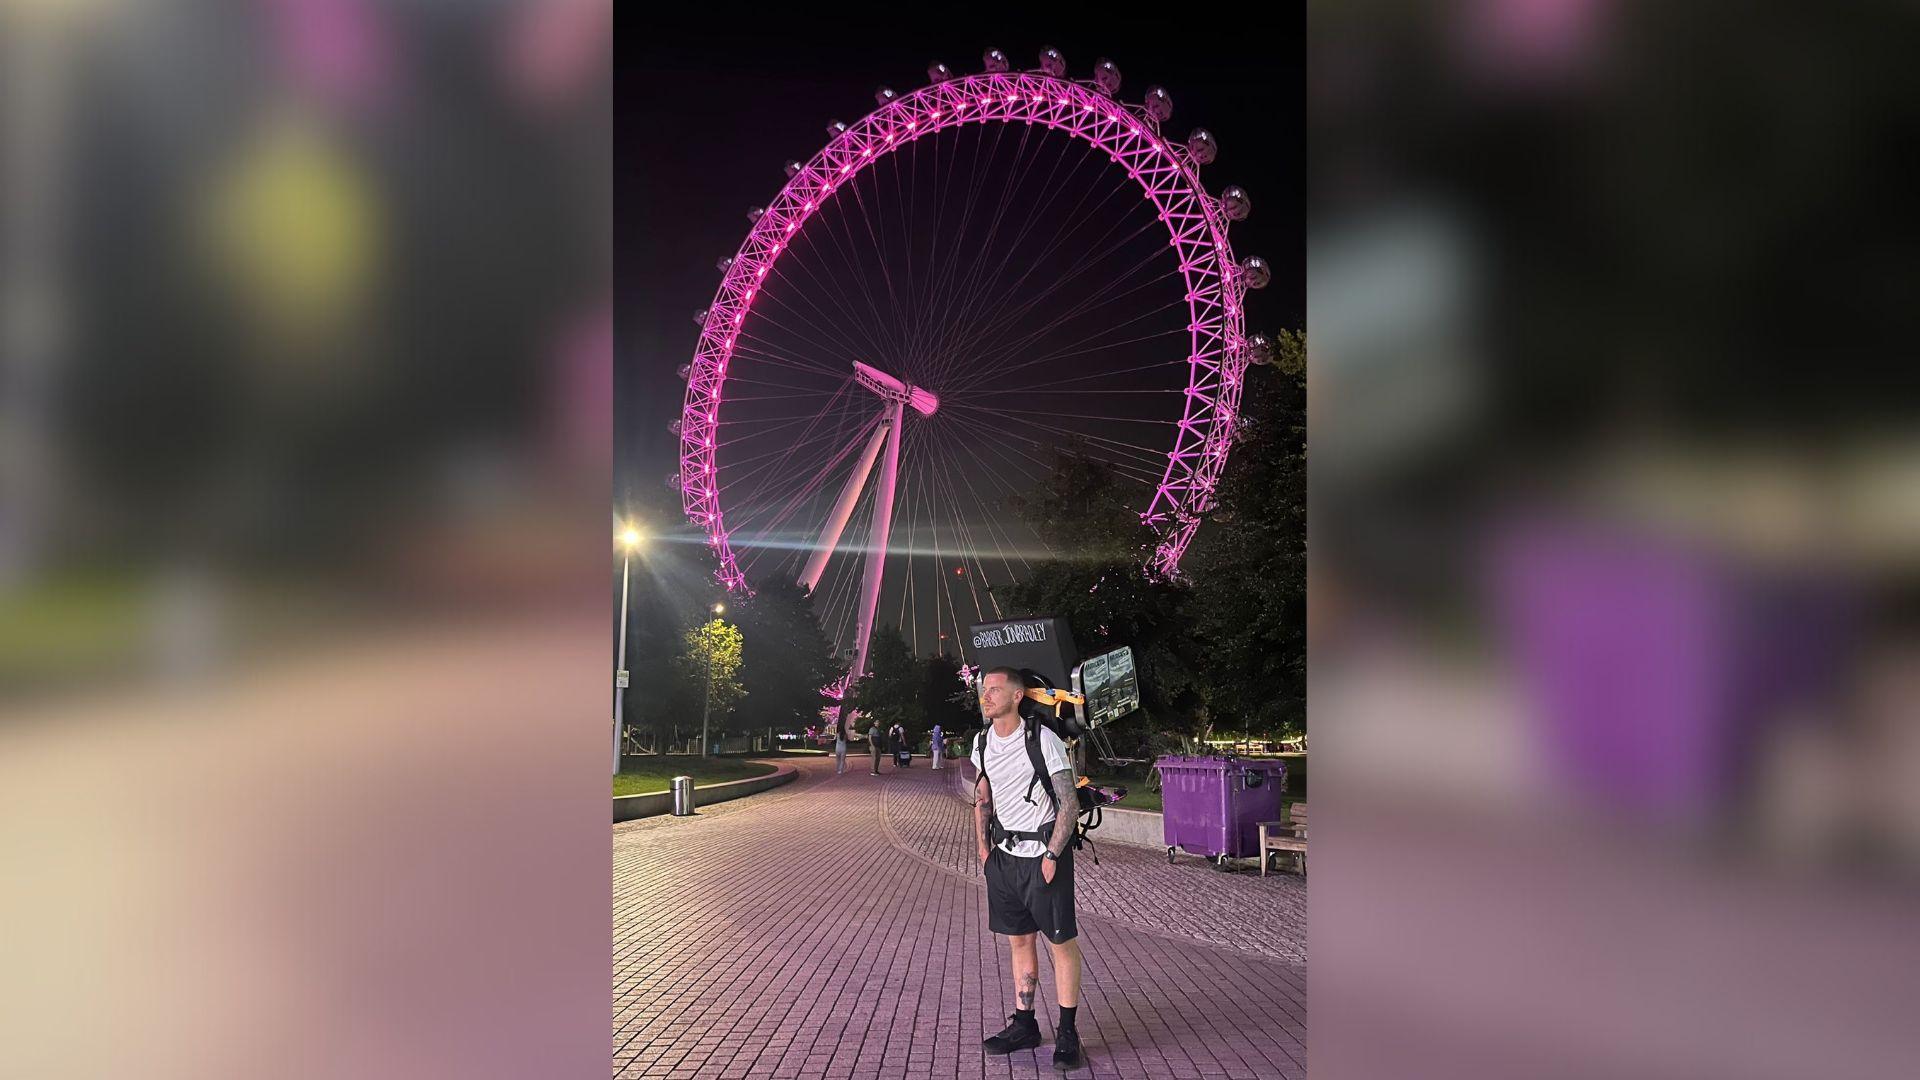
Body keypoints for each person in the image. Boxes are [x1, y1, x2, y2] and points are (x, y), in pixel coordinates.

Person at [972, 666, 1083, 1069]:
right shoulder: (981, 740)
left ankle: (1068, 1032)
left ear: (1017, 696)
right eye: (984, 690)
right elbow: (983, 797)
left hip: (1043, 857)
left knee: (1060, 944)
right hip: (1003, 859)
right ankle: (1025, 1024)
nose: (985, 697)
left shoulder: (1042, 739)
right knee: (1019, 940)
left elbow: (1068, 802)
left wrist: (1052, 855)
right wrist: (984, 852)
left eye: (994, 690)